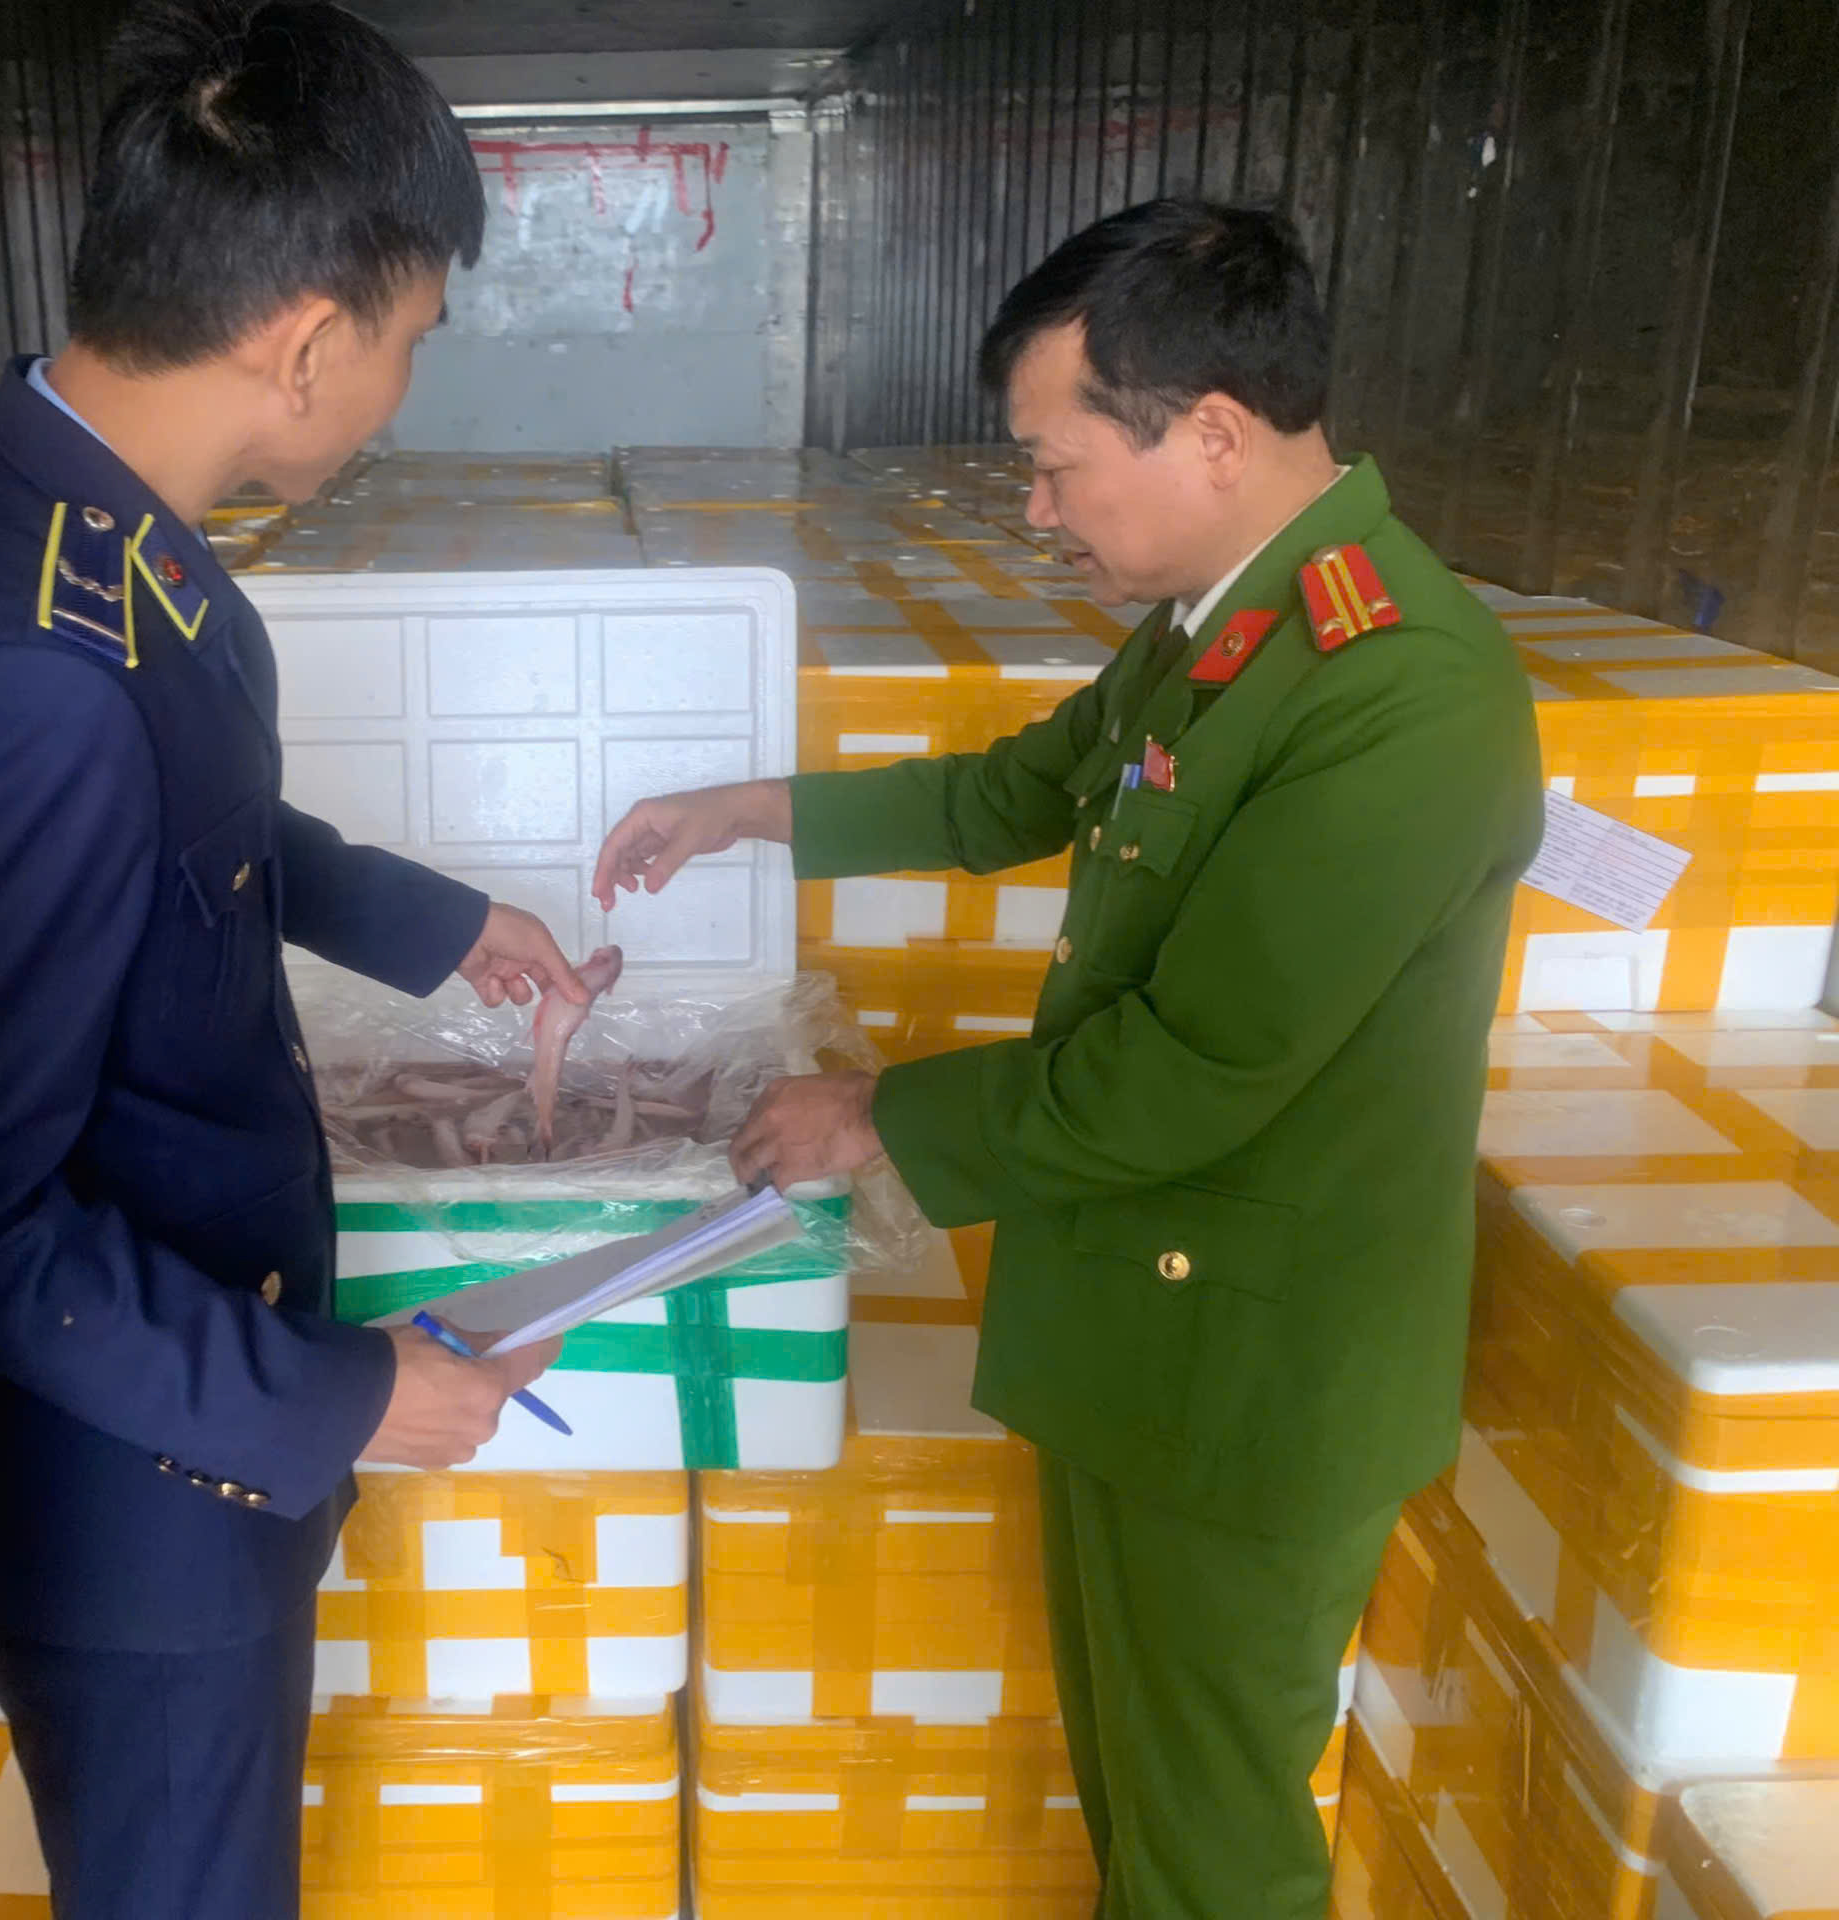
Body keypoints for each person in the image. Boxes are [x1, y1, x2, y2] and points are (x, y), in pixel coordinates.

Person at [595, 198, 1544, 1919]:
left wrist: (873, 1115)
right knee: (1139, 1807)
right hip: (1137, 1320)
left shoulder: (1397, 690)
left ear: (1214, 433)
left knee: (1211, 1856)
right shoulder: (1223, 628)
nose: (1036, 512)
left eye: (1053, 467)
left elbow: (1196, 1065)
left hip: (1254, 1377)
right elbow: (1016, 791)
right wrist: (745, 810)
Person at [0, 6, 571, 1914]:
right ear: (305, 341)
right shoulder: (35, 661)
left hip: (167, 1439)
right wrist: (335, 1401)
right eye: (408, 342)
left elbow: (200, 831)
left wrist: (440, 926)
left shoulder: (81, 520)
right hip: (131, 1493)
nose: (397, 393)